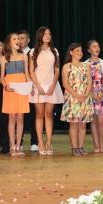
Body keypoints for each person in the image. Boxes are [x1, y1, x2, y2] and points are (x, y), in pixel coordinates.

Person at [29, 26, 64, 155]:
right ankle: (40, 142)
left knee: (49, 114)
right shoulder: (33, 51)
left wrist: (53, 85)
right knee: (39, 114)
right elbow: (31, 71)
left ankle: (49, 142)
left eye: (49, 34)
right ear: (40, 36)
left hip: (51, 85)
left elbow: (57, 69)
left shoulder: (54, 51)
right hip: (38, 85)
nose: (47, 36)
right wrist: (37, 86)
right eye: (45, 34)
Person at [61, 43, 93, 156]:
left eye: (81, 51)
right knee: (74, 124)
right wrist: (76, 95)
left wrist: (85, 94)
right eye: (77, 50)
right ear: (71, 52)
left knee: (83, 124)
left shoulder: (86, 66)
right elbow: (65, 83)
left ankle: (81, 146)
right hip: (72, 97)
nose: (80, 53)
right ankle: (74, 147)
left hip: (85, 97)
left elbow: (89, 82)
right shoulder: (66, 66)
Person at [2, 33, 30, 156]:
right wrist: (5, 86)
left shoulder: (24, 56)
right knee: (12, 117)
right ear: (9, 43)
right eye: (14, 39)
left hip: (22, 87)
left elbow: (27, 74)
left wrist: (30, 86)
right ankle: (12, 146)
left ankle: (19, 146)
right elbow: (2, 77)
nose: (17, 40)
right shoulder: (4, 58)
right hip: (10, 89)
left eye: (18, 39)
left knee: (20, 117)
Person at [18, 29, 39, 151]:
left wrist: (32, 85)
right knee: (19, 115)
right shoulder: (14, 54)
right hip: (19, 88)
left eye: (23, 38)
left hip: (31, 87)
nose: (20, 41)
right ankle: (18, 142)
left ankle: (34, 142)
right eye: (18, 38)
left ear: (28, 40)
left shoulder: (33, 53)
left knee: (33, 115)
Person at [85, 40, 103, 153]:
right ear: (89, 50)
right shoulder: (85, 64)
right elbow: (85, 82)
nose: (97, 48)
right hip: (90, 93)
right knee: (93, 121)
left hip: (101, 93)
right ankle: (96, 145)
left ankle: (102, 144)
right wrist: (91, 94)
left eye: (98, 46)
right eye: (94, 46)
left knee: (101, 121)